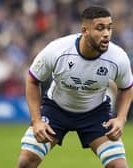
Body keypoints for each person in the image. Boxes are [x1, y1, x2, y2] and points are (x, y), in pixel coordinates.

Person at [16, 6, 133, 168]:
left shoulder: (118, 57)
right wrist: (36, 121)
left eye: (109, 28)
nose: (106, 33)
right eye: (100, 28)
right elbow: (32, 80)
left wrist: (121, 118)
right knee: (26, 162)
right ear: (84, 30)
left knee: (119, 167)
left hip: (95, 114)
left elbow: (126, 87)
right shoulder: (56, 50)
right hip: (55, 110)